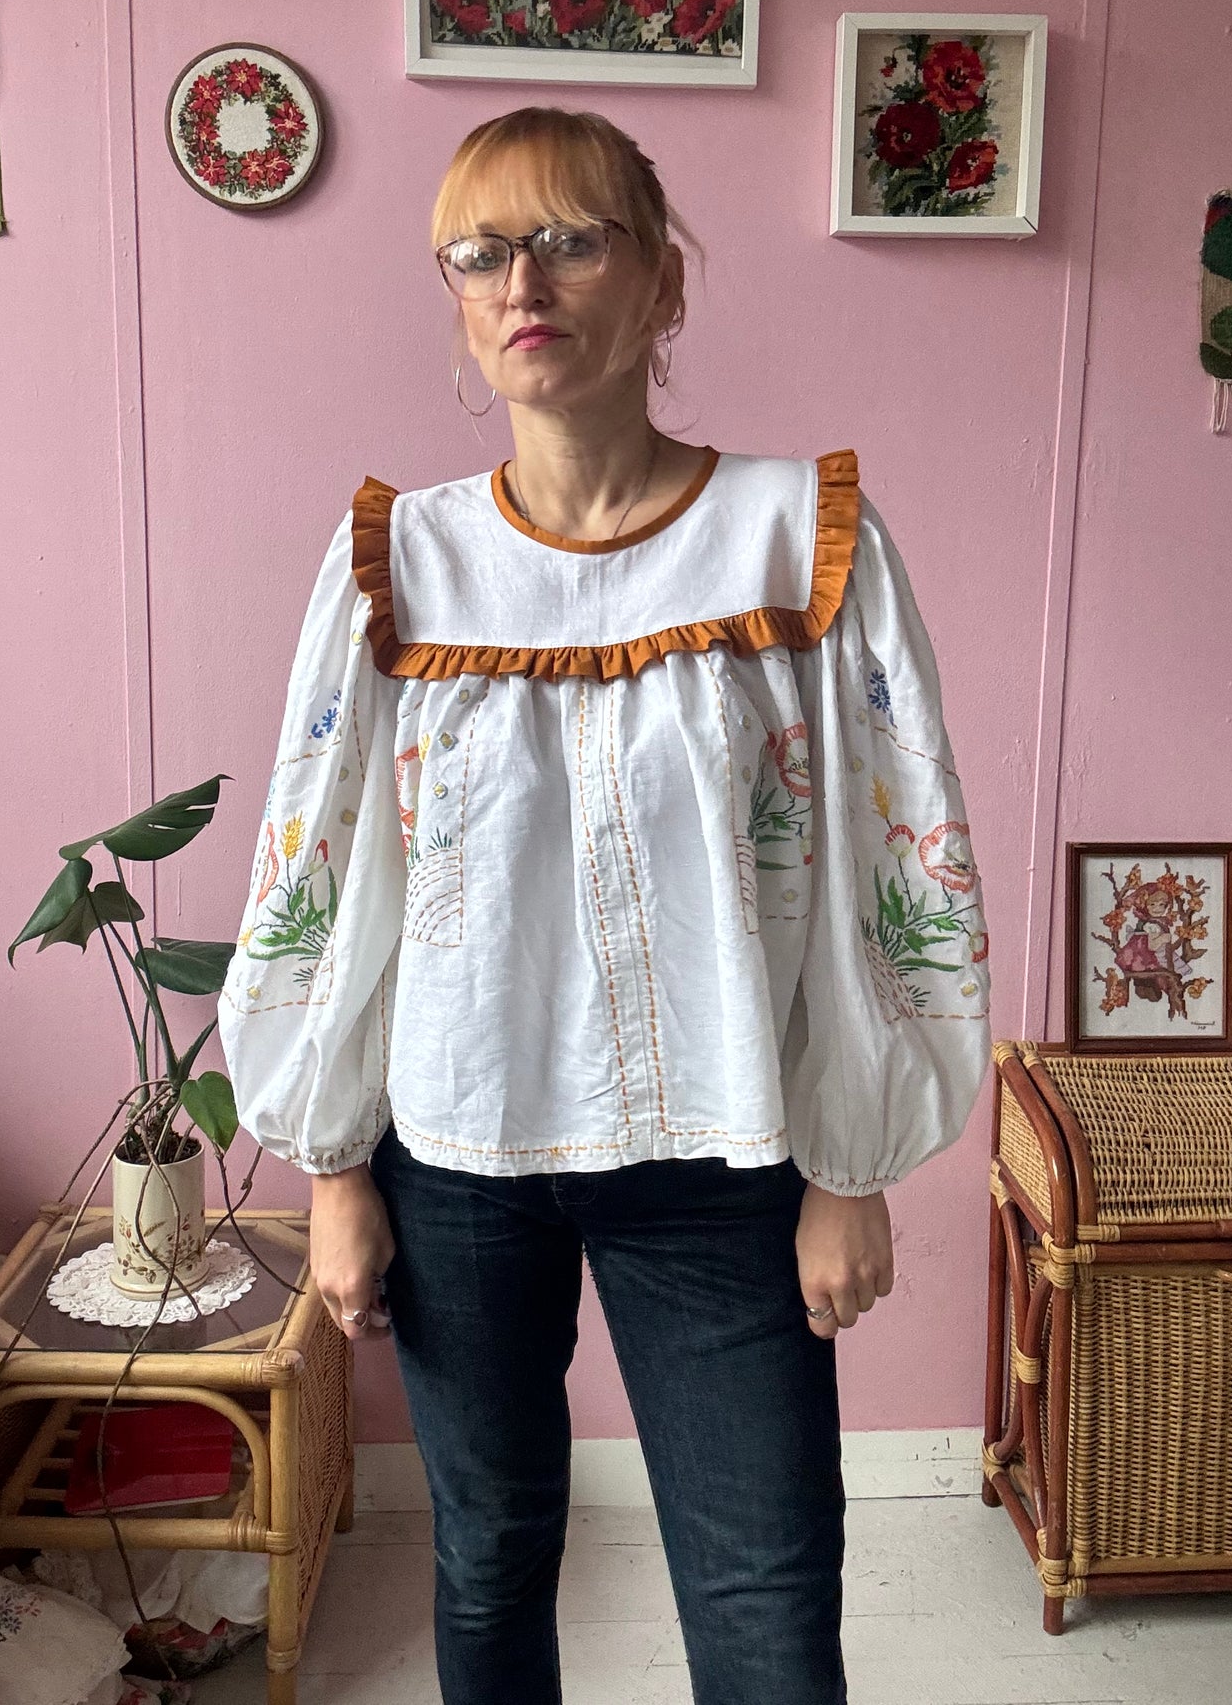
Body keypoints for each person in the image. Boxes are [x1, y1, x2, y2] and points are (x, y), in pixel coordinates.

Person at [217, 106, 992, 1705]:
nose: (526, 282)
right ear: (452, 294)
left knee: (768, 1587)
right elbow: (322, 875)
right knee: (491, 1557)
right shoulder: (397, 563)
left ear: (662, 284)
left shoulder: (797, 537)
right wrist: (334, 1165)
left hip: (723, 1159)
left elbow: (894, 855)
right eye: (482, 250)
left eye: (574, 238)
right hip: (457, 1163)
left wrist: (851, 1170)